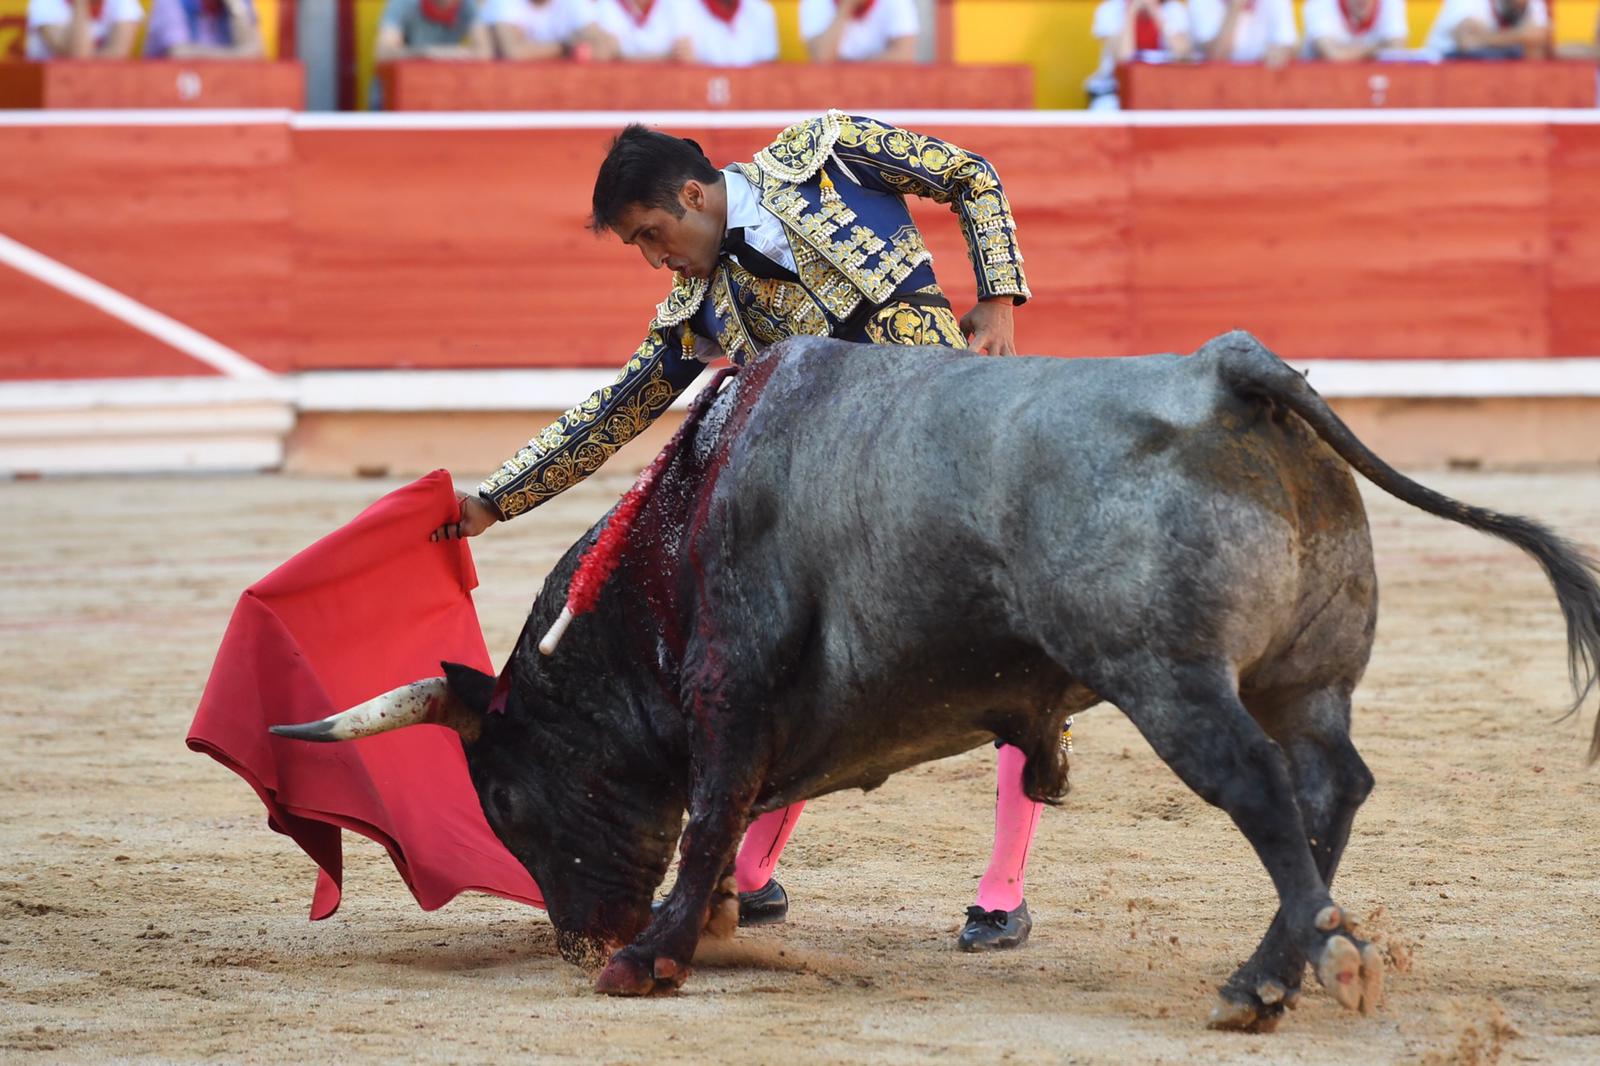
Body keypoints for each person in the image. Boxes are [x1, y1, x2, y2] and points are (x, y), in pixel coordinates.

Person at [433, 111, 1052, 951]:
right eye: (640, 250)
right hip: (844, 510)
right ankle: (752, 876)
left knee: (1026, 647)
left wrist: (1000, 300)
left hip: (956, 447)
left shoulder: (828, 150)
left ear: (693, 194)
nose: (657, 260)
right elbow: (615, 411)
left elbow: (970, 174)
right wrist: (493, 500)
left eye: (654, 235)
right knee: (783, 660)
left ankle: (1001, 889)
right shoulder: (697, 306)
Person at [1084, 0, 1194, 109]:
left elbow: (1182, 54)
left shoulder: (1173, 8)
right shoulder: (1110, 9)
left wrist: (1155, 11)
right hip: (1115, 91)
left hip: (1163, 90)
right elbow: (1123, 58)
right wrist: (1131, 12)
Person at [482, 0, 617, 61]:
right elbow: (512, 53)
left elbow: (608, 45)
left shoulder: (574, 3)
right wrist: (566, 49)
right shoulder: (503, 3)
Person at [801, 0, 920, 63]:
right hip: (832, 90)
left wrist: (853, 68)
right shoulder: (814, 2)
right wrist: (845, 7)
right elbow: (821, 58)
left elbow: (904, 55)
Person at [375, 0, 493, 62]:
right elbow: (383, 53)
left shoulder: (468, 5)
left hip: (442, 87)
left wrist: (446, 54)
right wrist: (426, 53)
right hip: (395, 93)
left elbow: (484, 52)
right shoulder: (404, 2)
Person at [1424, 0, 1549, 58]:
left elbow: (1539, 45)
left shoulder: (1531, 3)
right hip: (1443, 65)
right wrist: (1520, 36)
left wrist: (1485, 37)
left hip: (1496, 68)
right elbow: (1466, 42)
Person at [143, 0, 262, 59]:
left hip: (220, 91)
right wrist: (238, 55)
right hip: (169, 94)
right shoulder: (171, 2)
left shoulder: (237, 4)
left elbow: (257, 54)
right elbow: (179, 54)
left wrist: (237, 9)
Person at [1189, 0, 1297, 66]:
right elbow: (1216, 56)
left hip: (1262, 86)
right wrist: (1235, 6)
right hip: (1214, 90)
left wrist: (1280, 53)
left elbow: (1289, 44)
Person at [25, 0, 142, 59]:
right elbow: (78, 57)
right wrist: (81, 3)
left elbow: (118, 55)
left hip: (104, 88)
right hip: (50, 93)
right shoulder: (45, 2)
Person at [674, 0, 777, 65]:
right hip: (699, 91)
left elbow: (767, 74)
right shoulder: (680, 6)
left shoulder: (762, 10)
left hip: (749, 94)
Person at [1303, 0, 1407, 61]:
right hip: (1323, 84)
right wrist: (1376, 49)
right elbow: (1332, 55)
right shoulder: (1321, 3)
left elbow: (1396, 50)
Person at [591, 0, 695, 61]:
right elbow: (604, 54)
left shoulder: (679, 4)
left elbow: (684, 55)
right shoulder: (603, 4)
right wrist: (666, 56)